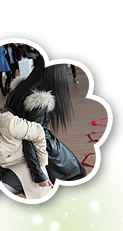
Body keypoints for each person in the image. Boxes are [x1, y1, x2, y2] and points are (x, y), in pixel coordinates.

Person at [5, 55, 87, 185]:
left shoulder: (20, 88)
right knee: (77, 174)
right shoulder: (39, 100)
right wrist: (39, 174)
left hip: (16, 144)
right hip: (37, 149)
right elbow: (31, 139)